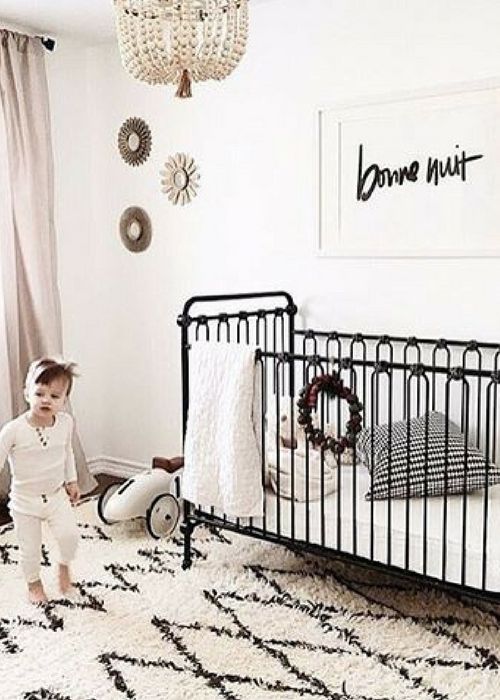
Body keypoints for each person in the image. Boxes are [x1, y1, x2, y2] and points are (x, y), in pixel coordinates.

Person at [0, 357, 81, 604]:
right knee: (30, 549)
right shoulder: (13, 430)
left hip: (56, 495)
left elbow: (67, 452)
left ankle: (63, 566)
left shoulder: (66, 423)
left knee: (70, 536)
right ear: (27, 394)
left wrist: (72, 481)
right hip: (25, 502)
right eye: (40, 393)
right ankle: (34, 584)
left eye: (55, 396)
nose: (47, 400)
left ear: (64, 400)